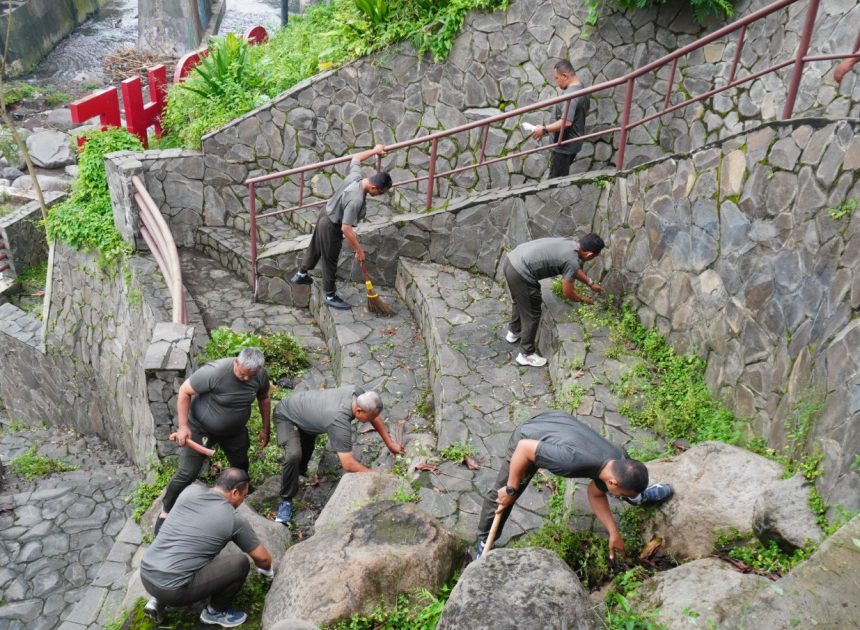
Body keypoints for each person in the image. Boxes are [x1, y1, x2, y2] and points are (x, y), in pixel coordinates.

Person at [474, 410, 673, 560]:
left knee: (629, 488)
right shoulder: (570, 461)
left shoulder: (618, 460)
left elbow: (595, 494)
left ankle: (638, 496)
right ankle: (483, 540)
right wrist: (511, 488)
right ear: (612, 482)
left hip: (561, 427)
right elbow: (523, 449)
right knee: (504, 494)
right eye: (620, 494)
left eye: (622, 495)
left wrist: (613, 531)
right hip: (529, 437)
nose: (617, 496)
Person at [157, 348, 271, 534]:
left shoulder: (259, 376)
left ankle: (241, 496)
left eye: (250, 376)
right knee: (187, 472)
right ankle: (166, 510)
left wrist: (266, 428)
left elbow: (264, 398)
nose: (245, 379)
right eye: (242, 374)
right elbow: (185, 391)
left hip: (234, 431)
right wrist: (183, 427)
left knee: (241, 466)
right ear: (236, 362)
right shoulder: (215, 372)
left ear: (258, 371)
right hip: (201, 427)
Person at [141, 468, 274, 627]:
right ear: (234, 493)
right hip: (173, 590)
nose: (242, 501)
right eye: (243, 496)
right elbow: (263, 558)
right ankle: (214, 612)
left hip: (146, 573)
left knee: (190, 545)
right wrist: (268, 573)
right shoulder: (234, 519)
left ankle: (157, 600)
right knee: (240, 563)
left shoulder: (190, 491)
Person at [272, 386, 405, 524]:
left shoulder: (357, 394)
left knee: (305, 450)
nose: (372, 420)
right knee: (294, 454)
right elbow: (348, 464)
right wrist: (377, 476)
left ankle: (299, 472)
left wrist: (390, 443)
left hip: (306, 415)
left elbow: (373, 415)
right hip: (286, 416)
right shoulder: (339, 420)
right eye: (369, 418)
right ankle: (285, 501)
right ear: (359, 411)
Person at [291, 144, 393, 310]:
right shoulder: (356, 200)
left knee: (316, 247)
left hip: (326, 213)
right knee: (330, 260)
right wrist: (359, 250)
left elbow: (356, 158)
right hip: (332, 225)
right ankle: (330, 295)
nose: (379, 196)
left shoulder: (357, 176)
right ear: (374, 187)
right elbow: (346, 228)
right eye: (380, 193)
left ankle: (301, 274)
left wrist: (375, 151)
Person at [504, 233, 605, 367]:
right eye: (595, 257)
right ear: (589, 255)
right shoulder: (573, 261)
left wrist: (590, 283)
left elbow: (572, 270)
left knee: (521, 301)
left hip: (511, 261)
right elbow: (568, 292)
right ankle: (526, 354)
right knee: (532, 313)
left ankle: (514, 332)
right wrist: (585, 300)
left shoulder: (570, 243)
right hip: (521, 272)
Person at [531, 60, 589, 178]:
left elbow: (566, 121)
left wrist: (544, 129)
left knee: (555, 183)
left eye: (557, 78)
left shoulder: (570, 95)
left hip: (563, 146)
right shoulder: (581, 88)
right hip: (571, 143)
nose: (556, 82)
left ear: (565, 76)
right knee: (559, 179)